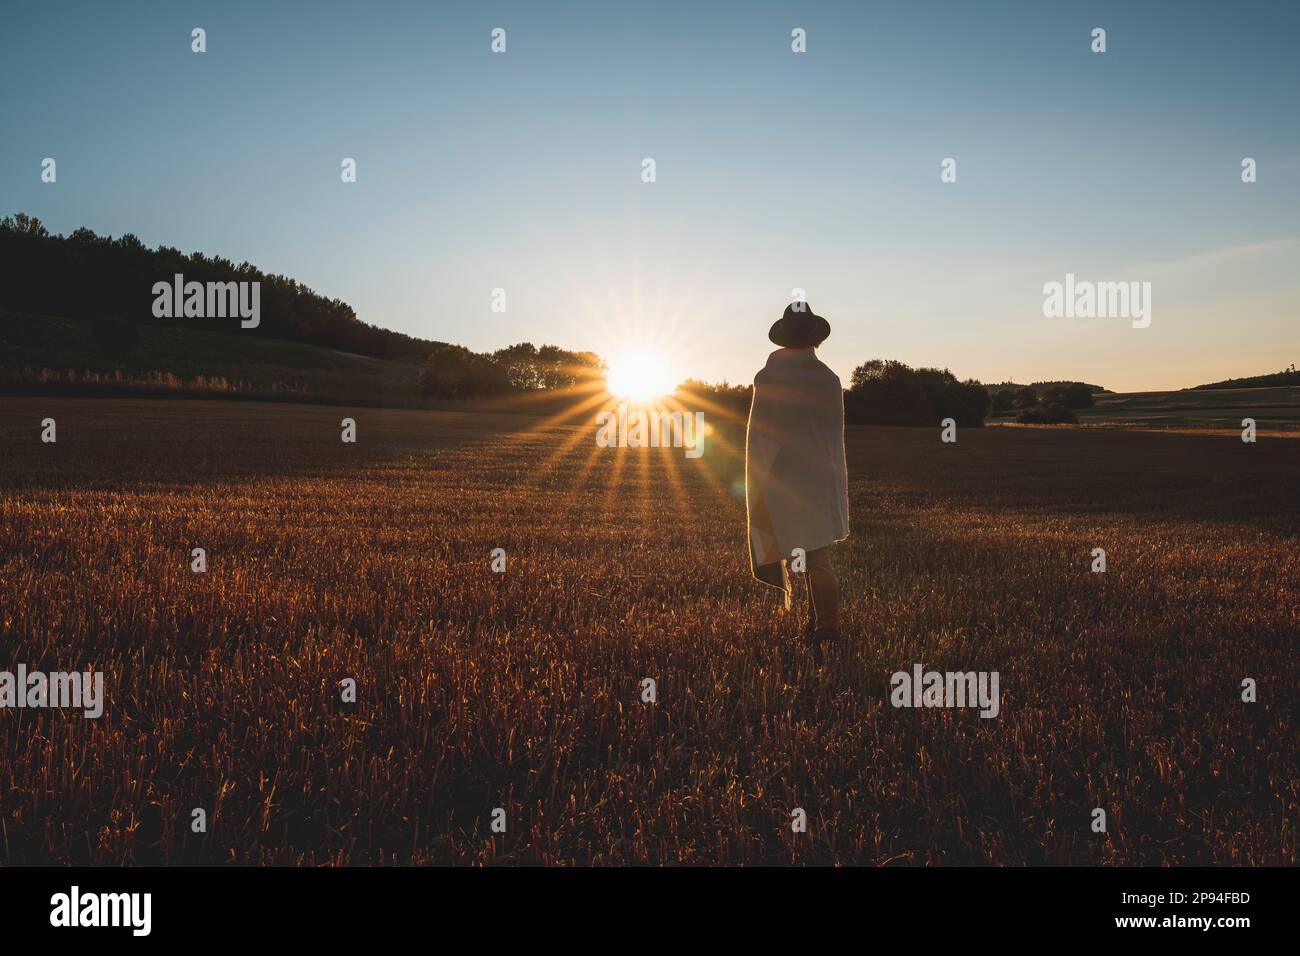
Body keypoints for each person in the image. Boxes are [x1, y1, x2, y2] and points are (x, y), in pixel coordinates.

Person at [745, 302, 849, 660]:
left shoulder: (768, 376)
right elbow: (830, 436)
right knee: (814, 553)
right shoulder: (828, 379)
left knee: (802, 554)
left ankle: (826, 628)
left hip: (780, 479)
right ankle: (821, 623)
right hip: (817, 479)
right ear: (815, 340)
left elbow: (761, 433)